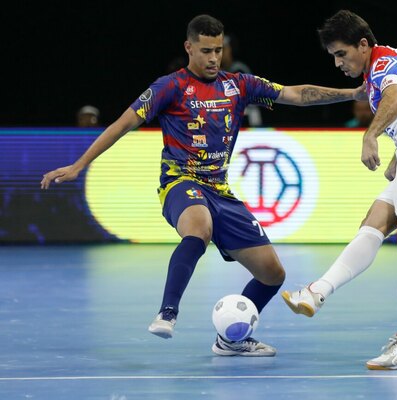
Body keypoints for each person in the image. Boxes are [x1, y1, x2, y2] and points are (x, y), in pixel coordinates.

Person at [41, 14, 363, 357]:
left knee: (273, 274)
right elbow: (122, 125)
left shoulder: (238, 85)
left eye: (218, 50)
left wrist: (353, 92)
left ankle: (231, 341)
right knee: (199, 227)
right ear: (189, 47)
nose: (213, 58)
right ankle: (167, 312)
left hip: (220, 190)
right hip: (180, 182)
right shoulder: (170, 87)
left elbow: (296, 95)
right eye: (206, 50)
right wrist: (79, 164)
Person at [281, 10, 397, 370]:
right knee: (376, 220)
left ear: (363, 44)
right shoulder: (375, 74)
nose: (338, 62)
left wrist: (371, 135)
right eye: (333, 56)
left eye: (341, 54)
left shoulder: (385, 62)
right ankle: (317, 291)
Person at [221, 33, 262, 127]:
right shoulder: (219, 71)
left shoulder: (239, 69)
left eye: (224, 49)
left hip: (249, 118)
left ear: (231, 50)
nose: (220, 53)